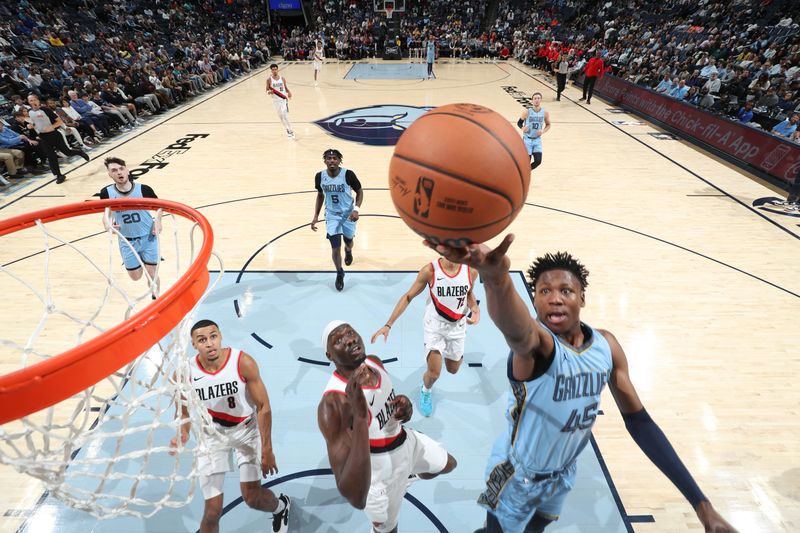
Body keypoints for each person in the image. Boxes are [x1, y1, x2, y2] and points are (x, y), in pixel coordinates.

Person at [427, 235, 737, 533]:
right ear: (533, 299)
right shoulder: (537, 348)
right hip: (516, 475)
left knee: (538, 526)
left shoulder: (606, 345)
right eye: (544, 291)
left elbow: (640, 424)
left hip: (562, 474)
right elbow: (517, 329)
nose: (555, 299)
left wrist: (703, 506)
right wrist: (496, 279)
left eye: (566, 290)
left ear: (583, 298)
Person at [318, 320, 457, 533]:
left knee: (448, 464)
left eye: (350, 332)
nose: (350, 339)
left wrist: (403, 409)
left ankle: (411, 474)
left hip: (405, 442)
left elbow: (386, 408)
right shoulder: (333, 404)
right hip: (378, 478)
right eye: (338, 340)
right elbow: (353, 495)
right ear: (330, 356)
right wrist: (361, 418)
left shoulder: (374, 362)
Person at [171, 320, 290, 533]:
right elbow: (184, 412)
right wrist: (182, 433)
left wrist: (267, 449)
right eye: (202, 340)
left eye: (213, 336)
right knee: (211, 513)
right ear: (194, 344)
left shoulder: (243, 362)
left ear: (220, 336)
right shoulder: (184, 373)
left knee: (252, 498)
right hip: (211, 436)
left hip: (245, 431)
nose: (209, 344)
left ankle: (281, 507)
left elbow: (263, 407)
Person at [371, 257, 480, 416]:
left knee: (453, 369)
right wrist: (389, 324)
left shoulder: (471, 271)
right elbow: (408, 296)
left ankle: (444, 357)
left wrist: (474, 307)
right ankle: (426, 390)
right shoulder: (430, 271)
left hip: (458, 326)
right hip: (434, 326)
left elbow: (468, 293)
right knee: (434, 373)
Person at [98, 157, 162, 297]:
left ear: (127, 170)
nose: (119, 173)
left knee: (152, 273)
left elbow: (159, 208)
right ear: (109, 174)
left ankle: (156, 299)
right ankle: (143, 262)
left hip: (148, 237)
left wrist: (158, 221)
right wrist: (107, 223)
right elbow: (106, 213)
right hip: (127, 241)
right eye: (114, 170)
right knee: (135, 276)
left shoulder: (144, 189)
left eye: (121, 169)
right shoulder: (106, 193)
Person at [311, 148, 363, 292]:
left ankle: (348, 250)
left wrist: (356, 210)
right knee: (335, 246)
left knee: (349, 241)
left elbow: (359, 191)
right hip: (332, 215)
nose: (332, 160)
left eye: (334, 158)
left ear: (340, 160)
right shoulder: (319, 176)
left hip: (348, 214)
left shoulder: (348, 174)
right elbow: (320, 195)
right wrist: (316, 215)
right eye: (329, 158)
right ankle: (339, 272)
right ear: (325, 160)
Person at [27, 94, 89, 184]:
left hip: (54, 134)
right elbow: (35, 123)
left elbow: (59, 121)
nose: (33, 102)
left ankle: (79, 152)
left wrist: (51, 127)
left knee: (67, 152)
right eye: (31, 101)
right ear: (29, 102)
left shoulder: (45, 110)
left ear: (38, 100)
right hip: (43, 137)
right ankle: (59, 175)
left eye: (34, 100)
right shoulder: (30, 112)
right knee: (51, 157)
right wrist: (31, 126)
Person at [518, 92, 551, 171]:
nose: (537, 100)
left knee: (538, 161)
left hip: (537, 140)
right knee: (526, 161)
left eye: (538, 98)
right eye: (535, 98)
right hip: (527, 139)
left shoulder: (545, 113)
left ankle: (526, 172)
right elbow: (519, 123)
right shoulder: (526, 112)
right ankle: (523, 172)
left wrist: (543, 131)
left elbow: (548, 125)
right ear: (532, 101)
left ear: (541, 100)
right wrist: (522, 128)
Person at [266, 64, 294, 139]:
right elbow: (267, 90)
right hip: (275, 101)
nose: (274, 71)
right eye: (273, 69)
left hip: (283, 99)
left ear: (278, 70)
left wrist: (289, 92)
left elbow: (285, 87)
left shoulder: (282, 78)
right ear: (271, 70)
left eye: (276, 69)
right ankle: (287, 129)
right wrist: (269, 92)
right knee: (281, 117)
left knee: (285, 114)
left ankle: (291, 130)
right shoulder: (269, 80)